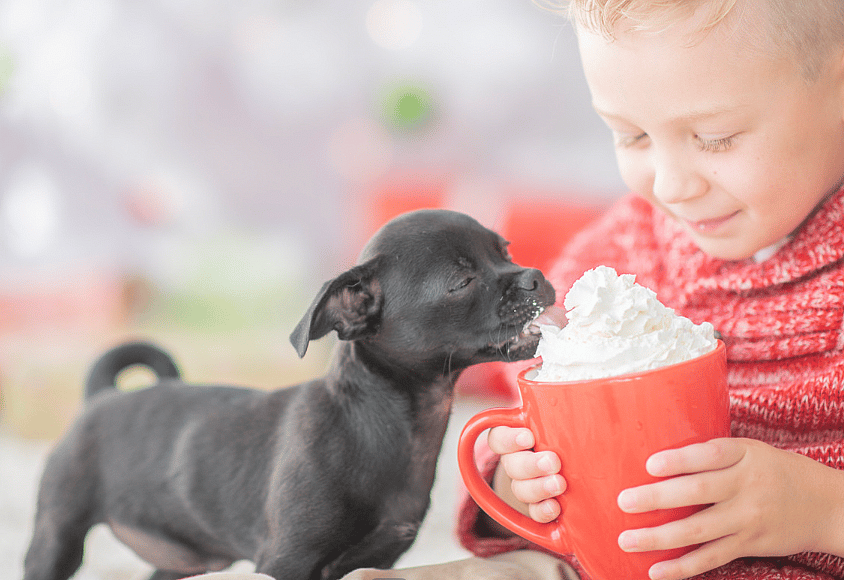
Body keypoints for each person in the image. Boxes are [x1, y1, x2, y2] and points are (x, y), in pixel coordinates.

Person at [343, 0, 844, 579]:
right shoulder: (617, 256)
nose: (672, 184)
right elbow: (522, 411)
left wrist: (821, 511)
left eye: (715, 137)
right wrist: (521, 483)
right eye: (630, 137)